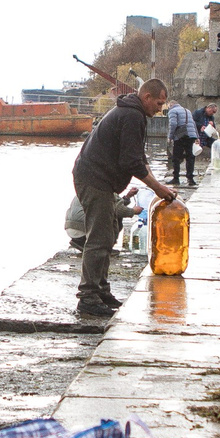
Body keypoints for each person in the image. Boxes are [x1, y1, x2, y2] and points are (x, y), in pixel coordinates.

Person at [74, 76, 176, 318]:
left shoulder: (133, 113)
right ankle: (87, 297)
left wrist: (156, 182)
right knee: (99, 237)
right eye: (158, 103)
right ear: (146, 97)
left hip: (101, 180)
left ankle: (101, 290)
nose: (160, 109)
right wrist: (160, 189)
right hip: (93, 179)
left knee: (109, 233)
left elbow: (138, 158)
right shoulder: (132, 115)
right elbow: (131, 163)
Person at [165, 95, 199, 185]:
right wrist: (197, 137)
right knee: (190, 157)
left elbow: (173, 124)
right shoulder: (187, 110)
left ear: (171, 105)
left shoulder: (172, 111)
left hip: (180, 136)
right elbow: (193, 124)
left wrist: (170, 137)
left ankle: (176, 178)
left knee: (176, 158)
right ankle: (190, 179)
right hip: (191, 135)